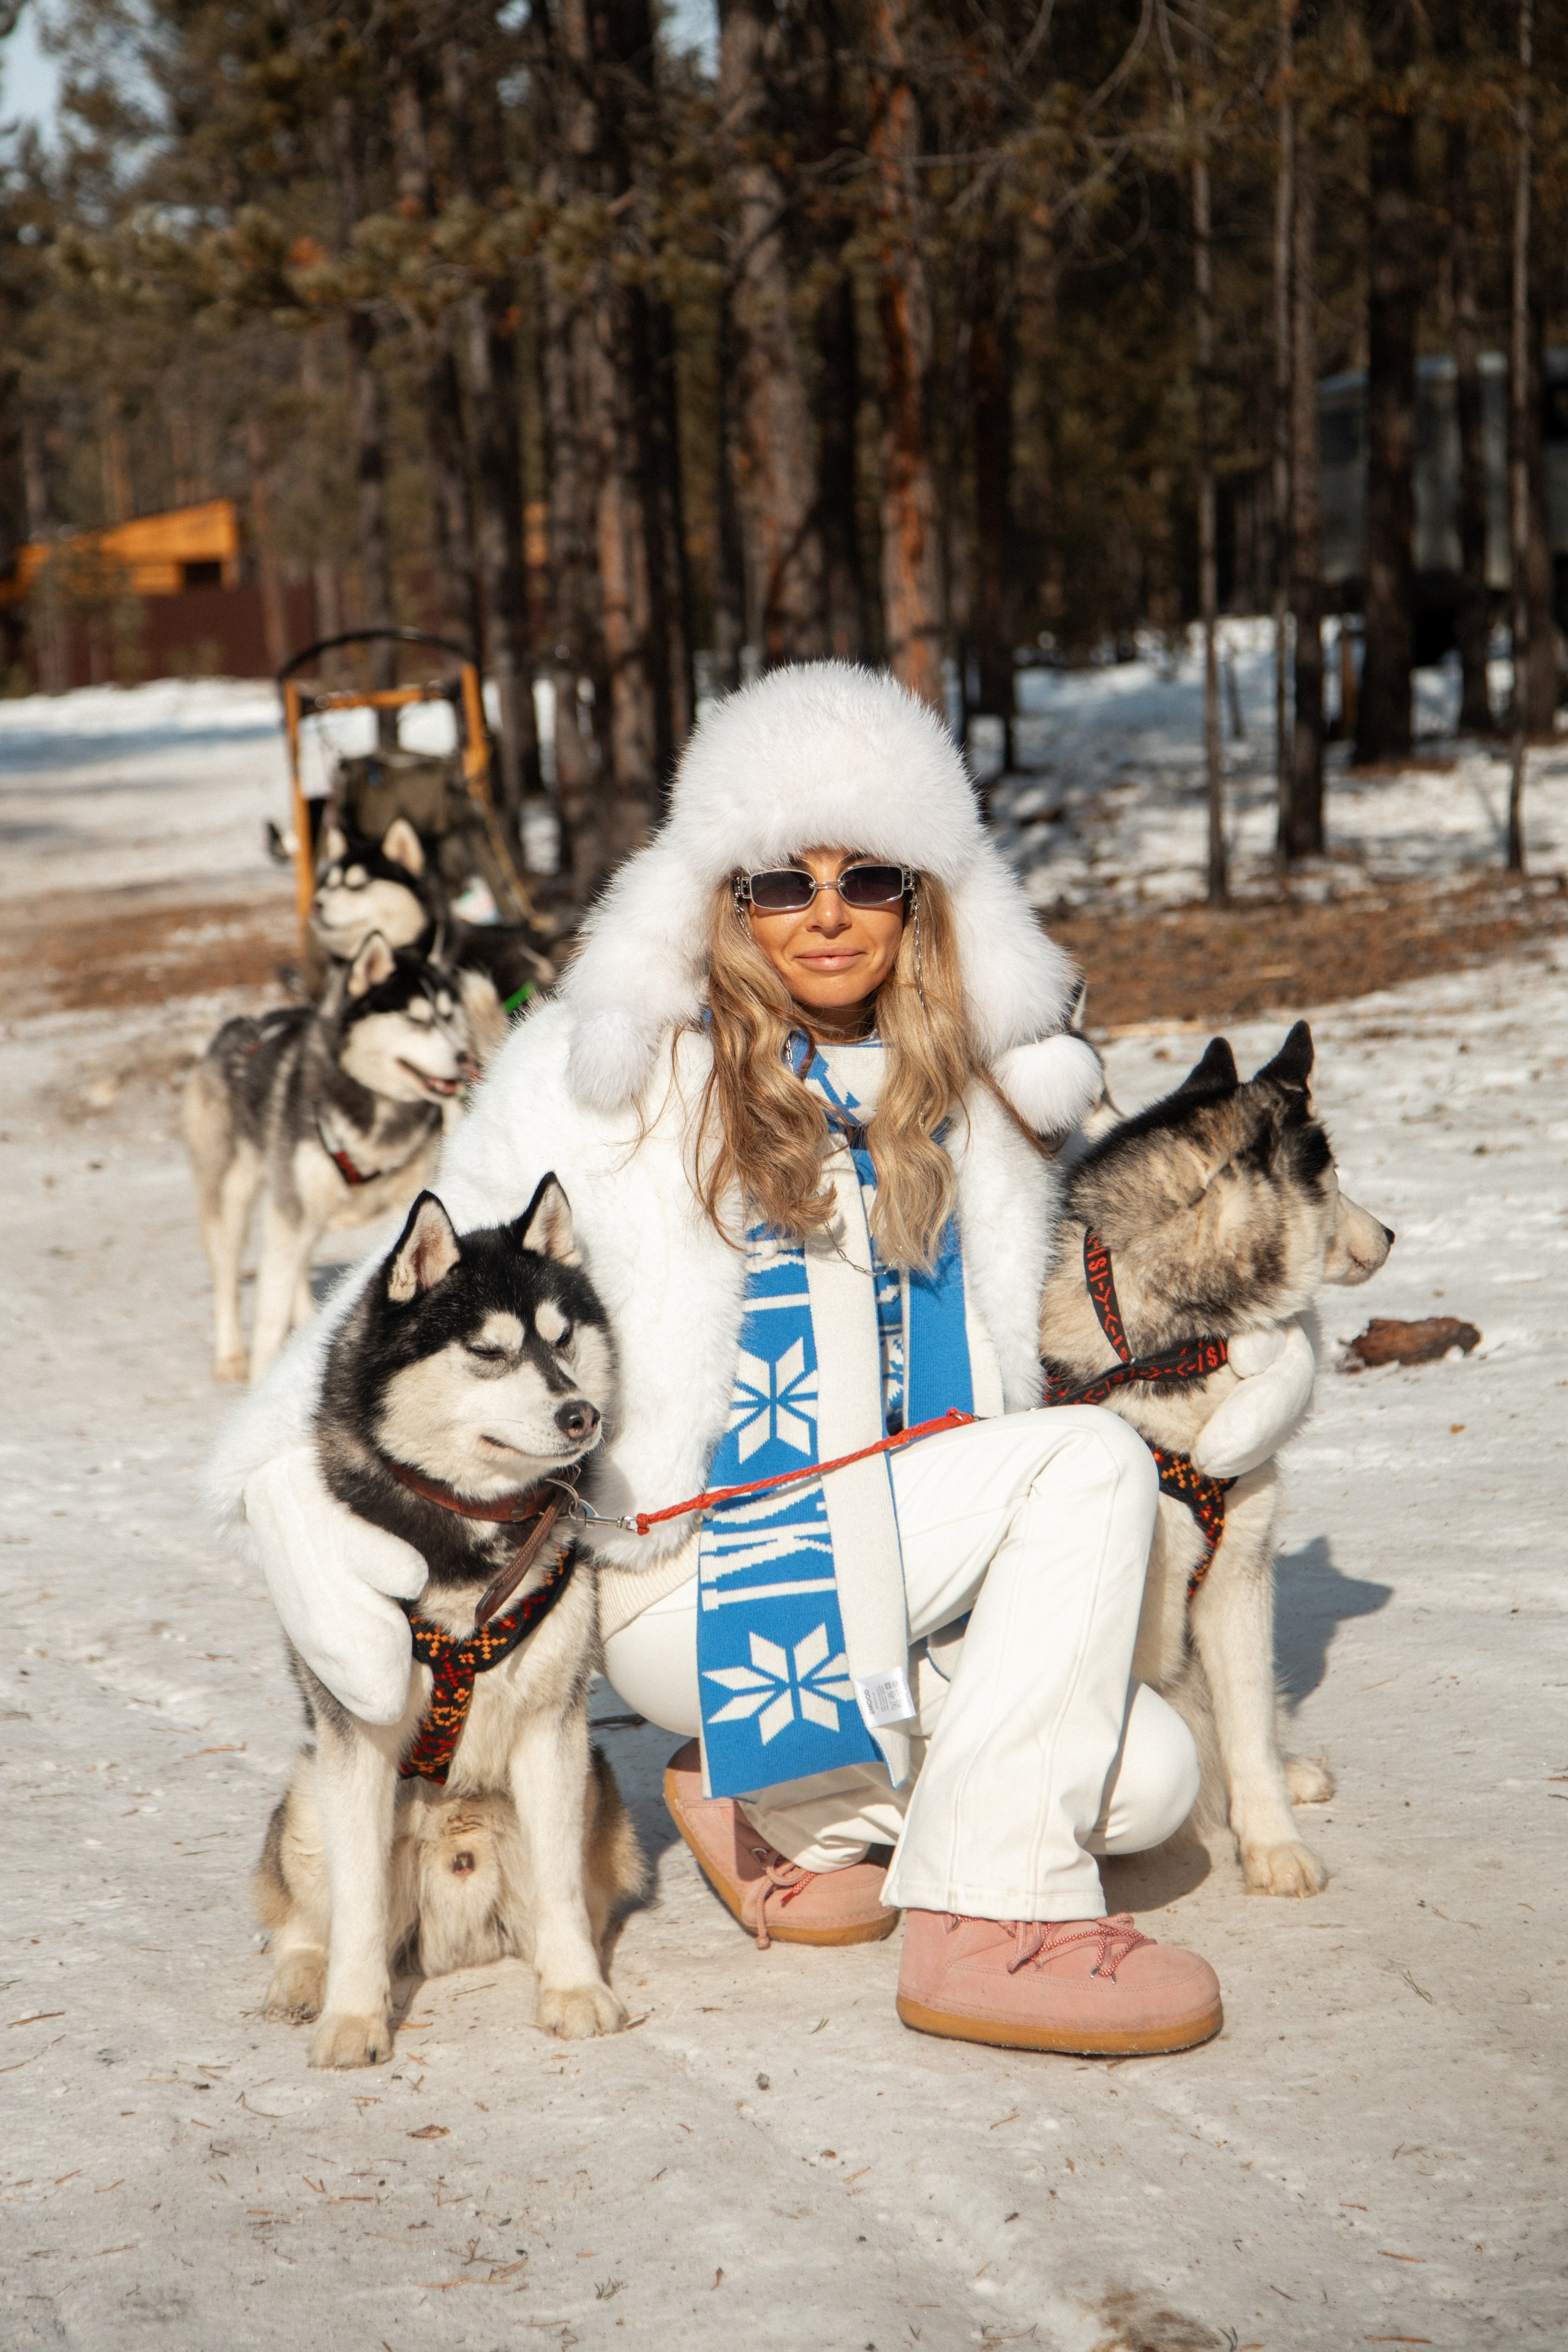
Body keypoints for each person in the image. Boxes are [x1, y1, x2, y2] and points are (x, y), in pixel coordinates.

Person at [219, 663, 1310, 2057]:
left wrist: (1275, 1362)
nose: (828, 914)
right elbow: (393, 1301)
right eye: (784, 883)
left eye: (871, 879)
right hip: (697, 1569)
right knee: (1088, 1474)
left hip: (916, 1553)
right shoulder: (609, 1075)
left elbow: (1104, 1302)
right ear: (725, 899)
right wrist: (286, 1496)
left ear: (925, 898)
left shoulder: (976, 1089)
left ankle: (780, 1804)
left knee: (1146, 1788)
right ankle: (994, 1919)